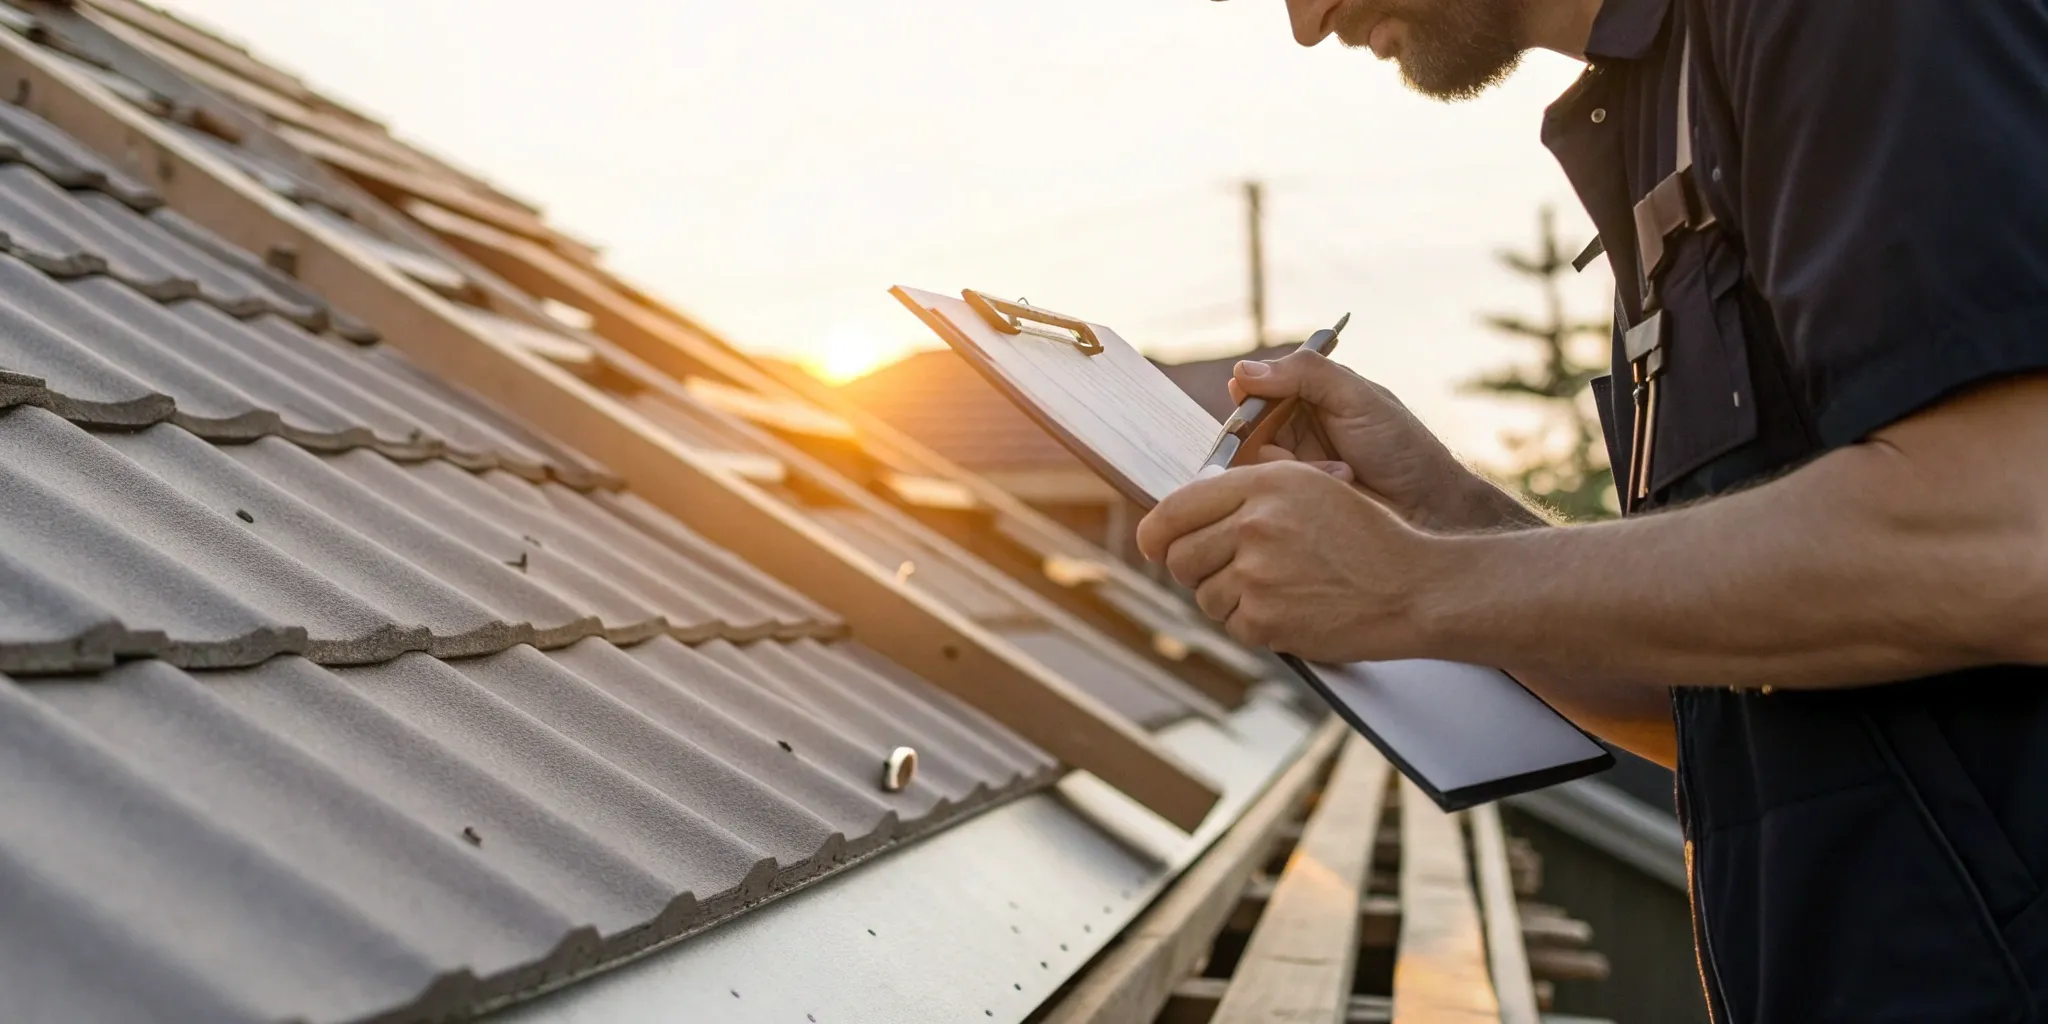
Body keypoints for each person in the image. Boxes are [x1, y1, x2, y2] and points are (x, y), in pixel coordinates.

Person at [1140, 0, 2048, 1020]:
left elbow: (2001, 540)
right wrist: (1441, 513)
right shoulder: (1662, 104)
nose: (1304, 21)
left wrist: (1412, 583)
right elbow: (1718, 689)